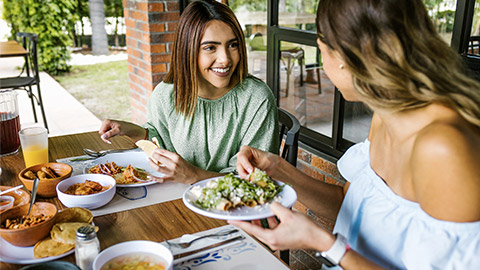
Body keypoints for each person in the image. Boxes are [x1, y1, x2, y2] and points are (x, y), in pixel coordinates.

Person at [229, 0, 480, 269]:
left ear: (347, 59)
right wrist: (278, 168)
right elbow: (352, 207)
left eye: (322, 51)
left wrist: (326, 245)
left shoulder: (445, 147)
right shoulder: (385, 115)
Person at [99, 0, 279, 185]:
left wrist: (195, 176)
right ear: (187, 50)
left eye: (232, 45)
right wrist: (134, 131)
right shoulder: (165, 95)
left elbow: (255, 180)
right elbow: (163, 143)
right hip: (179, 198)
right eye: (210, 48)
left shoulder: (256, 98)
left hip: (242, 208)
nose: (225, 59)